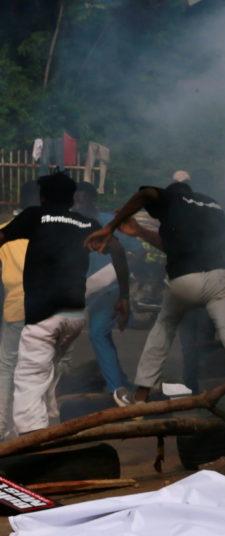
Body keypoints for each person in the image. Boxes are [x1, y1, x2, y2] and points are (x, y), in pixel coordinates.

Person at [84, 181, 225, 405]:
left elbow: (146, 194)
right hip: (222, 279)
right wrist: (141, 232)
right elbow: (176, 245)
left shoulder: (172, 199)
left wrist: (111, 226)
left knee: (162, 330)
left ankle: (141, 396)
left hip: (185, 281)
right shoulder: (212, 206)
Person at [0, 172, 129, 434]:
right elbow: (117, 249)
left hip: (42, 317)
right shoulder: (86, 222)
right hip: (73, 317)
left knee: (28, 378)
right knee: (48, 371)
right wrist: (124, 296)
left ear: (42, 197)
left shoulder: (35, 215)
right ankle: (52, 419)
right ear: (71, 198)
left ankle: (32, 442)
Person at [74, 181, 140, 394]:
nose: (78, 204)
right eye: (75, 200)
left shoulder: (110, 222)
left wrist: (120, 281)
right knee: (102, 335)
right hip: (91, 293)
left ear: (94, 200)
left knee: (97, 334)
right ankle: (123, 383)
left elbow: (138, 251)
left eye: (83, 199)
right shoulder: (72, 225)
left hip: (112, 290)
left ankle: (116, 390)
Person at [0, 181, 40, 439]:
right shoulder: (51, 231)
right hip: (46, 310)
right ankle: (39, 426)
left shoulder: (4, 231)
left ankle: (2, 426)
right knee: (40, 368)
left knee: (6, 368)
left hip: (14, 309)